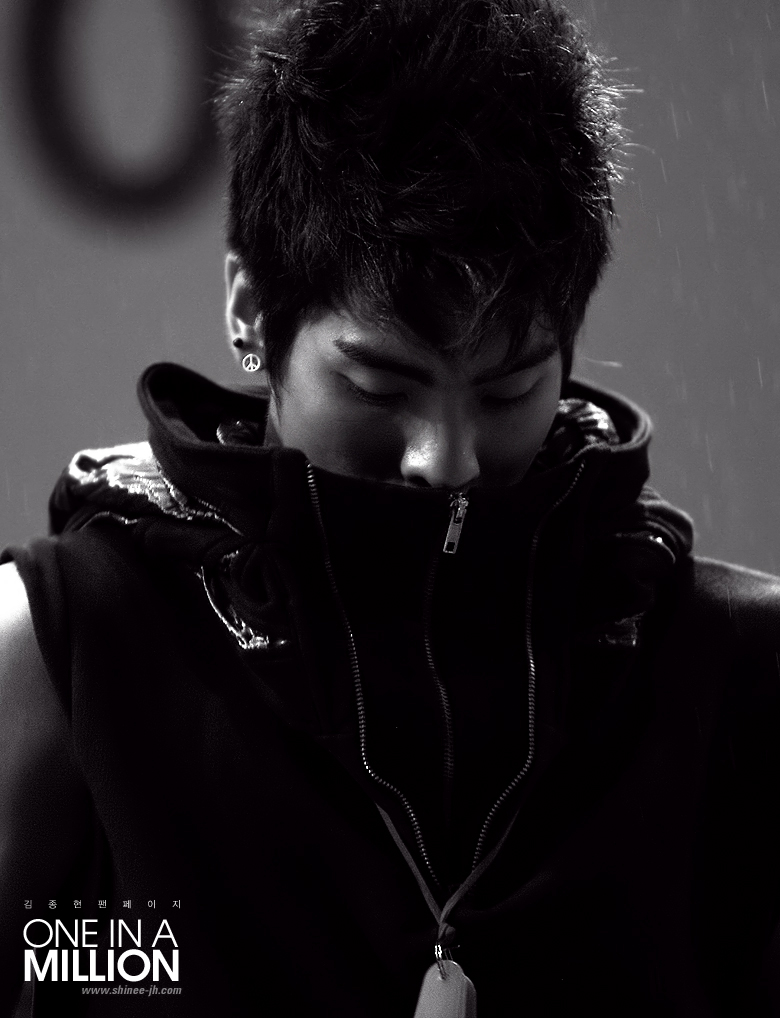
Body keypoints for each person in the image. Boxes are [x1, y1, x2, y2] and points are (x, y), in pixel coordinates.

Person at [1, 0, 779, 1014]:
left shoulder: (738, 671)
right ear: (250, 311)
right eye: (378, 383)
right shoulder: (56, 655)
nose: (445, 460)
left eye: (508, 390)